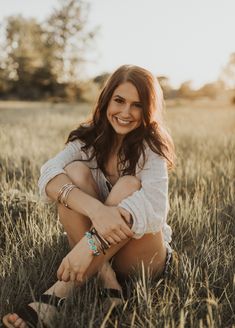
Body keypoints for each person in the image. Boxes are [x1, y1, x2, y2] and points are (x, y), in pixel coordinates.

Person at [2, 64, 176, 328]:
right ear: (107, 100)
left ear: (148, 109)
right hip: (104, 245)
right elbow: (48, 174)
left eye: (137, 105)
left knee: (129, 185)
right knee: (73, 171)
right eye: (119, 101)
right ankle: (107, 281)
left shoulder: (152, 147)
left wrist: (90, 244)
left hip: (141, 258)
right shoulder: (88, 138)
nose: (126, 112)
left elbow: (155, 209)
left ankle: (58, 294)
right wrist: (97, 212)